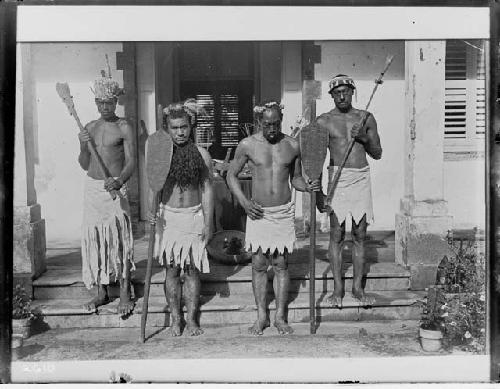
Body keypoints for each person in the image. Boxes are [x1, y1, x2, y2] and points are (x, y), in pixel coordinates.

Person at [227, 101, 320, 336]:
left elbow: (296, 179)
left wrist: (307, 186)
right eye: (267, 124)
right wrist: (245, 203)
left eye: (276, 124)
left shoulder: (291, 144)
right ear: (259, 122)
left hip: (282, 213)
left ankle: (280, 316)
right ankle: (261, 316)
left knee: (280, 264)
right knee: (258, 264)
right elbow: (231, 175)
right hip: (257, 212)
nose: (271, 129)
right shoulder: (247, 145)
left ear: (281, 120)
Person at [315, 74, 382, 307]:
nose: (342, 96)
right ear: (331, 95)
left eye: (346, 91)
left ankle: (357, 289)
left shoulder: (365, 118)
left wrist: (363, 137)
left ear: (352, 92)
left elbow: (377, 153)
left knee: (360, 235)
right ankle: (337, 290)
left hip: (360, 177)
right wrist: (319, 194)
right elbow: (315, 161)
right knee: (336, 235)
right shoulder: (323, 121)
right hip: (338, 179)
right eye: (337, 92)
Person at [148, 99, 214, 337]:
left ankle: (192, 319)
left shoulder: (202, 155)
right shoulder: (161, 155)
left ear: (191, 125)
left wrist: (209, 222)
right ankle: (176, 319)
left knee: (192, 270)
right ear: (168, 128)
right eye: (174, 128)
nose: (180, 132)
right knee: (172, 270)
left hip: (193, 216)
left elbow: (207, 190)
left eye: (184, 127)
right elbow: (153, 186)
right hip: (169, 218)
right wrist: (151, 212)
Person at [78, 69, 136, 316]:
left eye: (109, 102)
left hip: (115, 188)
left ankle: (124, 291)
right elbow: (83, 163)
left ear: (115, 101)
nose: (105, 106)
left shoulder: (124, 126)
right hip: (93, 190)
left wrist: (119, 180)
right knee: (97, 240)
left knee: (119, 240)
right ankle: (101, 291)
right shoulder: (89, 127)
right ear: (96, 102)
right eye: (101, 102)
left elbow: (132, 161)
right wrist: (82, 144)